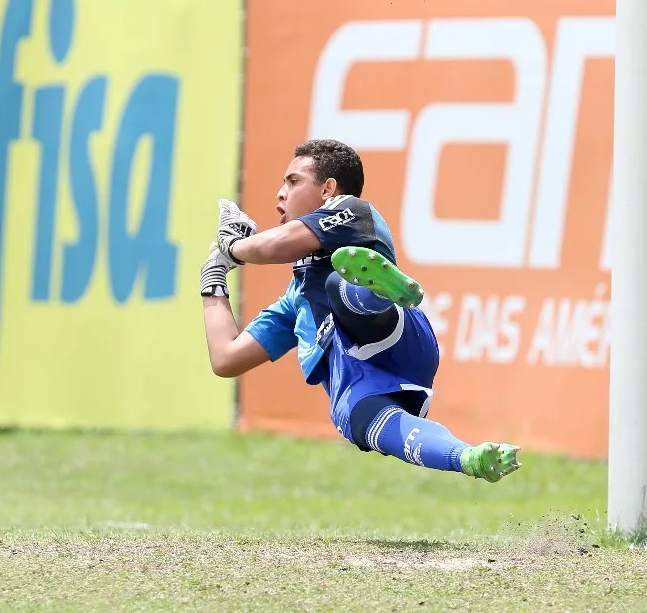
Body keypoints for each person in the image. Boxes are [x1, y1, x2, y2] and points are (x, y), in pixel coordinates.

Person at [199, 138, 521, 483]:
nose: (281, 193)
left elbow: (277, 246)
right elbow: (227, 358)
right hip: (359, 376)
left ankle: (378, 294)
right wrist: (213, 276)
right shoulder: (297, 299)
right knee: (365, 421)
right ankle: (468, 457)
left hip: (394, 333)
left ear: (328, 189)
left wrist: (232, 246)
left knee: (339, 282)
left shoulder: (353, 212)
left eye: (293, 182)